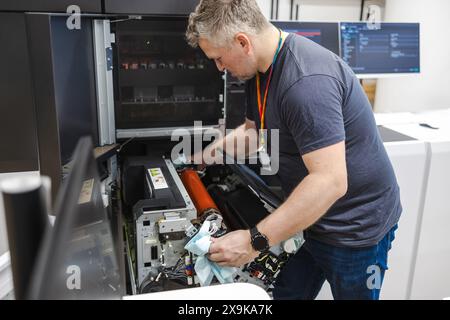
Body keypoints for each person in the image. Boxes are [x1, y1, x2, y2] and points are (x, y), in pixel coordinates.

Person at [185, 0, 402, 300]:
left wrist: (252, 242)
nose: (219, 67)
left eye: (219, 58)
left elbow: (330, 181)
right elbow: (252, 132)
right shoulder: (261, 69)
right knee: (287, 294)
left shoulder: (305, 82)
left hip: (356, 230)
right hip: (311, 219)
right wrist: (205, 156)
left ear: (242, 42)